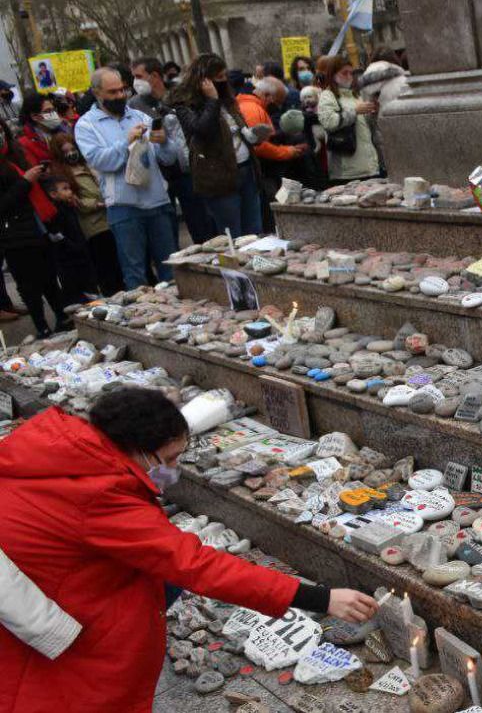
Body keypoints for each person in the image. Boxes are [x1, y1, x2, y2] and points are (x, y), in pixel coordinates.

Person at [0, 388, 379, 712]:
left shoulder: (63, 454)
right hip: (58, 643)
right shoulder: (96, 495)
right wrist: (320, 598)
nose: (173, 470)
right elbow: (195, 565)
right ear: (138, 450)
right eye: (168, 460)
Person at [74, 66, 180, 289]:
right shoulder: (86, 125)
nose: (120, 96)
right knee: (135, 273)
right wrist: (126, 142)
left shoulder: (139, 115)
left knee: (171, 269)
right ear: (97, 93)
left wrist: (164, 142)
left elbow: (168, 158)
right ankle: (145, 319)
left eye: (122, 90)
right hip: (124, 206)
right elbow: (101, 161)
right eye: (112, 92)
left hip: (157, 201)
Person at [168, 54, 264, 238]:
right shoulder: (185, 103)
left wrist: (254, 135)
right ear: (204, 80)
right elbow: (201, 129)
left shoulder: (227, 99)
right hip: (218, 176)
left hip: (245, 169)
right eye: (218, 78)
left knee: (254, 230)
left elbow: (239, 127)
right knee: (233, 235)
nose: (224, 81)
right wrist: (211, 100)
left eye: (224, 76)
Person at [130, 57, 213, 245]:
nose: (135, 82)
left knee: (202, 225)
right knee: (167, 233)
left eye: (138, 76)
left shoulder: (181, 95)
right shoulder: (135, 105)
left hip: (189, 170)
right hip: (160, 174)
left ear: (154, 76)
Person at [0, 125, 67, 337]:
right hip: (15, 234)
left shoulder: (15, 155)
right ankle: (41, 326)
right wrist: (25, 181)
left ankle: (62, 317)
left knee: (49, 277)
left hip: (39, 226)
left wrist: (40, 175)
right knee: (29, 284)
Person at [46, 133, 122, 296]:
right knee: (105, 267)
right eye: (66, 151)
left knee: (118, 263)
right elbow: (75, 200)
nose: (71, 154)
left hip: (110, 218)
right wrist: (98, 204)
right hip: (93, 225)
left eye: (73, 149)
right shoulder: (61, 175)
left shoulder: (88, 165)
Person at [237, 78, 308, 232]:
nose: (276, 106)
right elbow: (259, 146)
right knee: (268, 215)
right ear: (267, 95)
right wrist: (287, 151)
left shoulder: (251, 106)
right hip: (263, 171)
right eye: (276, 102)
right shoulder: (252, 109)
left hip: (262, 170)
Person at [316, 55, 381, 183]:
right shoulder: (327, 96)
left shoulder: (355, 96)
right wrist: (355, 111)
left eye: (351, 73)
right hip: (346, 171)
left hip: (369, 165)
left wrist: (373, 113)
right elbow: (329, 122)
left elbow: (365, 127)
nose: (349, 77)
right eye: (344, 73)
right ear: (333, 74)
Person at [40, 174, 100, 303]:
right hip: (68, 260)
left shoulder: (69, 207)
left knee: (89, 289)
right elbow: (57, 236)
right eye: (65, 189)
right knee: (76, 294)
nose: (70, 192)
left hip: (80, 255)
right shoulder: (54, 212)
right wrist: (74, 246)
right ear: (53, 194)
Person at [16, 93, 69, 167]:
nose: (54, 114)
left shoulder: (66, 130)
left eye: (54, 110)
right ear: (34, 116)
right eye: (48, 111)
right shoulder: (24, 144)